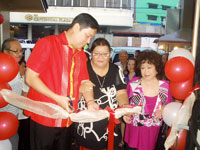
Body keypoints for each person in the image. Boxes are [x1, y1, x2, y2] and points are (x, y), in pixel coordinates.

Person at [25, 13, 99, 150]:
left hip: (67, 120)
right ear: (76, 27)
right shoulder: (47, 43)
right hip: (44, 118)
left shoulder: (81, 54)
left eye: (91, 38)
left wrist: (90, 102)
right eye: (87, 35)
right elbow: (30, 77)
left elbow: (85, 82)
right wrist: (56, 98)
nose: (88, 41)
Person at [74, 38, 130, 150]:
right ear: (91, 53)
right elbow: (75, 95)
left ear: (110, 54)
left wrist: (124, 107)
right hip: (87, 123)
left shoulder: (116, 69)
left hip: (110, 122)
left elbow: (121, 92)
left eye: (105, 54)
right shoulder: (83, 68)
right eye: (97, 53)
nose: (100, 57)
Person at [124, 50, 173, 150]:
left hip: (153, 133)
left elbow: (170, 106)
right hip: (134, 131)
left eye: (149, 67)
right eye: (142, 68)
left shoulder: (165, 86)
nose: (146, 71)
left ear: (157, 68)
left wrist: (164, 109)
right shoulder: (133, 84)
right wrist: (125, 113)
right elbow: (125, 103)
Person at [0, 38, 29, 150]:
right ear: (5, 52)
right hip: (3, 122)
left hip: (12, 121)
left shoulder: (16, 69)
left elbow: (19, 96)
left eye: (21, 51)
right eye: (15, 51)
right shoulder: (2, 69)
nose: (19, 54)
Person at [119, 57, 137, 148]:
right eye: (129, 64)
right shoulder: (123, 76)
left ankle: (130, 140)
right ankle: (122, 139)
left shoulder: (138, 77)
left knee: (131, 121)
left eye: (133, 64)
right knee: (123, 121)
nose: (131, 66)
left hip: (134, 102)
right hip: (124, 101)